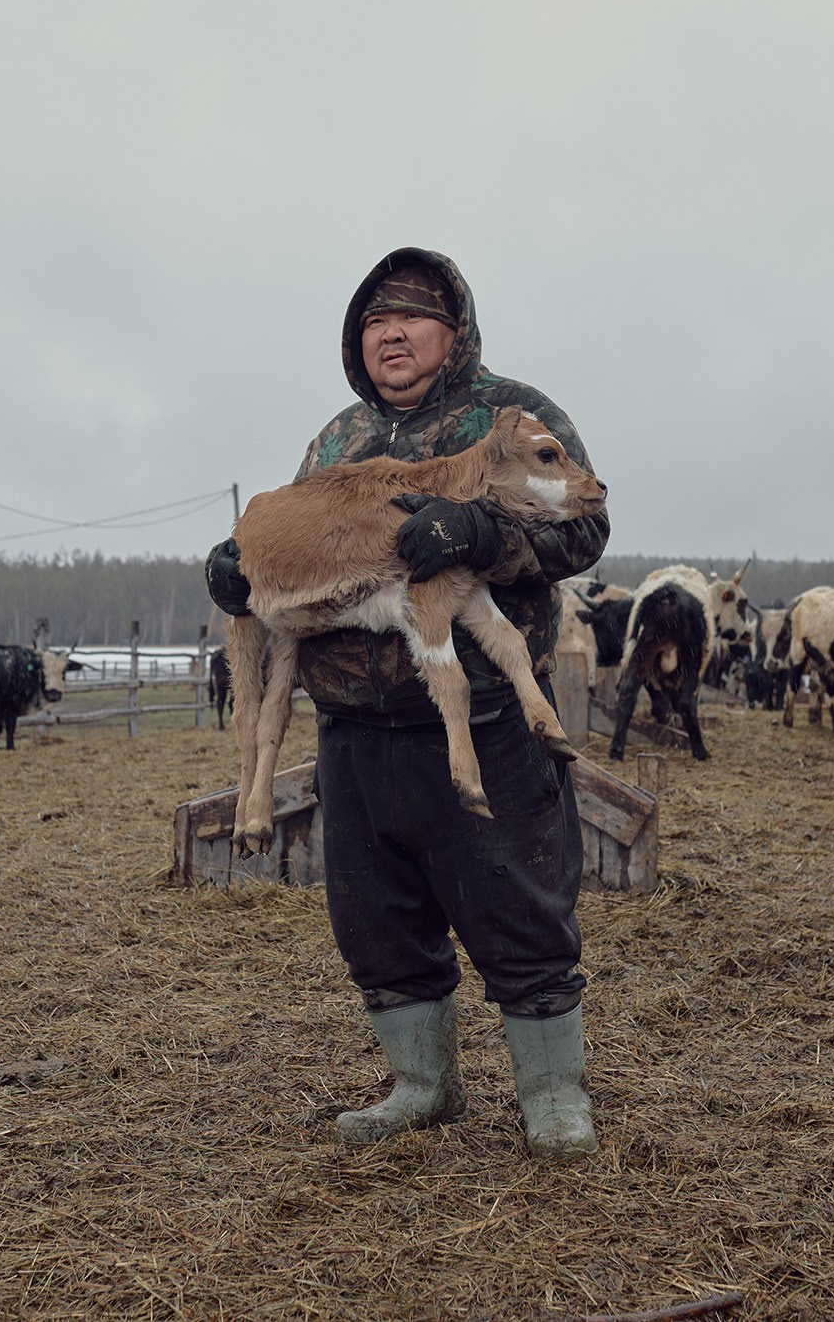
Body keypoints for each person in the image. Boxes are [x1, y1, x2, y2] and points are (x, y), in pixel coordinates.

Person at [204, 247, 609, 1158]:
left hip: (480, 721)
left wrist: (483, 530)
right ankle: (422, 1084)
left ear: (455, 331)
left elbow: (585, 525)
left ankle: (552, 1094)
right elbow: (298, 534)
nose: (389, 332)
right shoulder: (337, 438)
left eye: (411, 316)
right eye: (373, 321)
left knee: (518, 904)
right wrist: (239, 566)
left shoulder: (513, 416)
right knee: (375, 912)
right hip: (352, 724)